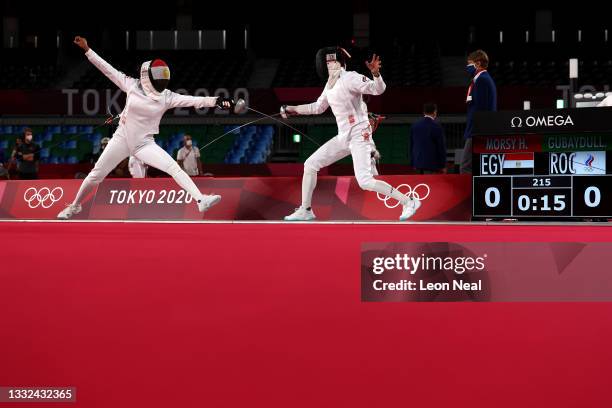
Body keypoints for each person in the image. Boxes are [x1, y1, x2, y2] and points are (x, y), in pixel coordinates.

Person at [58, 36, 234, 219]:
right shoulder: (131, 85)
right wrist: (88, 50)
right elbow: (107, 70)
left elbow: (195, 101)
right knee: (95, 175)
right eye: (158, 76)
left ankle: (200, 200)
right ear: (147, 76)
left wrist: (218, 101)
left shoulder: (167, 96)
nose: (162, 80)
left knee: (173, 167)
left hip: (144, 144)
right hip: (122, 139)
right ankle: (75, 206)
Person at [281, 47, 420, 221]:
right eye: (327, 63)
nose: (329, 65)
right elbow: (317, 107)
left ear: (340, 63)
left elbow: (377, 89)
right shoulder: (329, 85)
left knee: (365, 181)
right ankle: (306, 209)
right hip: (344, 136)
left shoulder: (350, 77)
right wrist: (292, 109)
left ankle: (409, 201)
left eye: (332, 62)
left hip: (359, 133)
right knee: (310, 164)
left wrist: (376, 74)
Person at [461, 49, 496, 174]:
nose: (467, 67)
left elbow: (481, 110)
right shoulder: (480, 79)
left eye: (470, 63)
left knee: (465, 166)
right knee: (475, 166)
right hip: (476, 130)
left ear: (478, 63)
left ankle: (470, 193)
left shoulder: (482, 80)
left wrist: (474, 132)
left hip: (477, 131)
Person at [410, 103, 447, 174]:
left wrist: (413, 162)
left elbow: (411, 145)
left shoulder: (415, 126)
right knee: (430, 184)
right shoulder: (436, 126)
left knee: (420, 184)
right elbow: (441, 147)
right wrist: (443, 165)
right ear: (435, 112)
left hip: (417, 163)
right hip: (431, 165)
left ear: (424, 112)